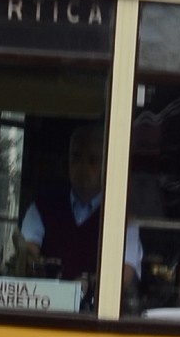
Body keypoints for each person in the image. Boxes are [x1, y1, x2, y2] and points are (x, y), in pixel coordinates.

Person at [17, 122, 142, 294]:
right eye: (75, 157)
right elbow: (27, 254)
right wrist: (33, 262)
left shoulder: (122, 218)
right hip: (46, 303)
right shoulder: (41, 208)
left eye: (92, 160)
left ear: (106, 165)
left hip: (96, 308)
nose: (82, 167)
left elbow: (124, 276)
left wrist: (88, 282)